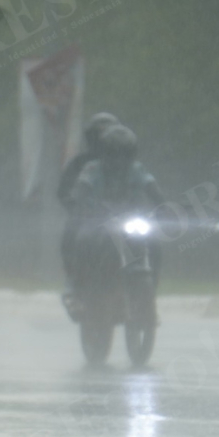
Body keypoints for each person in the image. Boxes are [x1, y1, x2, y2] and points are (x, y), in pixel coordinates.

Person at [65, 124, 166, 310]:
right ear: (104, 153)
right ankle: (77, 288)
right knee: (81, 241)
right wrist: (76, 199)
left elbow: (152, 187)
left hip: (132, 221)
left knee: (155, 243)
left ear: (132, 154)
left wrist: (162, 205)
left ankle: (151, 289)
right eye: (114, 153)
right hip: (98, 223)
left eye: (124, 154)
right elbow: (81, 188)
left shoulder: (137, 169)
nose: (119, 160)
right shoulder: (92, 169)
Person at [59, 112, 120, 301]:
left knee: (149, 240)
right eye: (99, 135)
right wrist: (74, 204)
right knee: (69, 236)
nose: (103, 140)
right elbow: (63, 191)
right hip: (87, 217)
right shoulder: (79, 163)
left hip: (121, 217)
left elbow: (142, 185)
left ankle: (144, 279)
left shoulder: (126, 162)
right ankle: (73, 279)